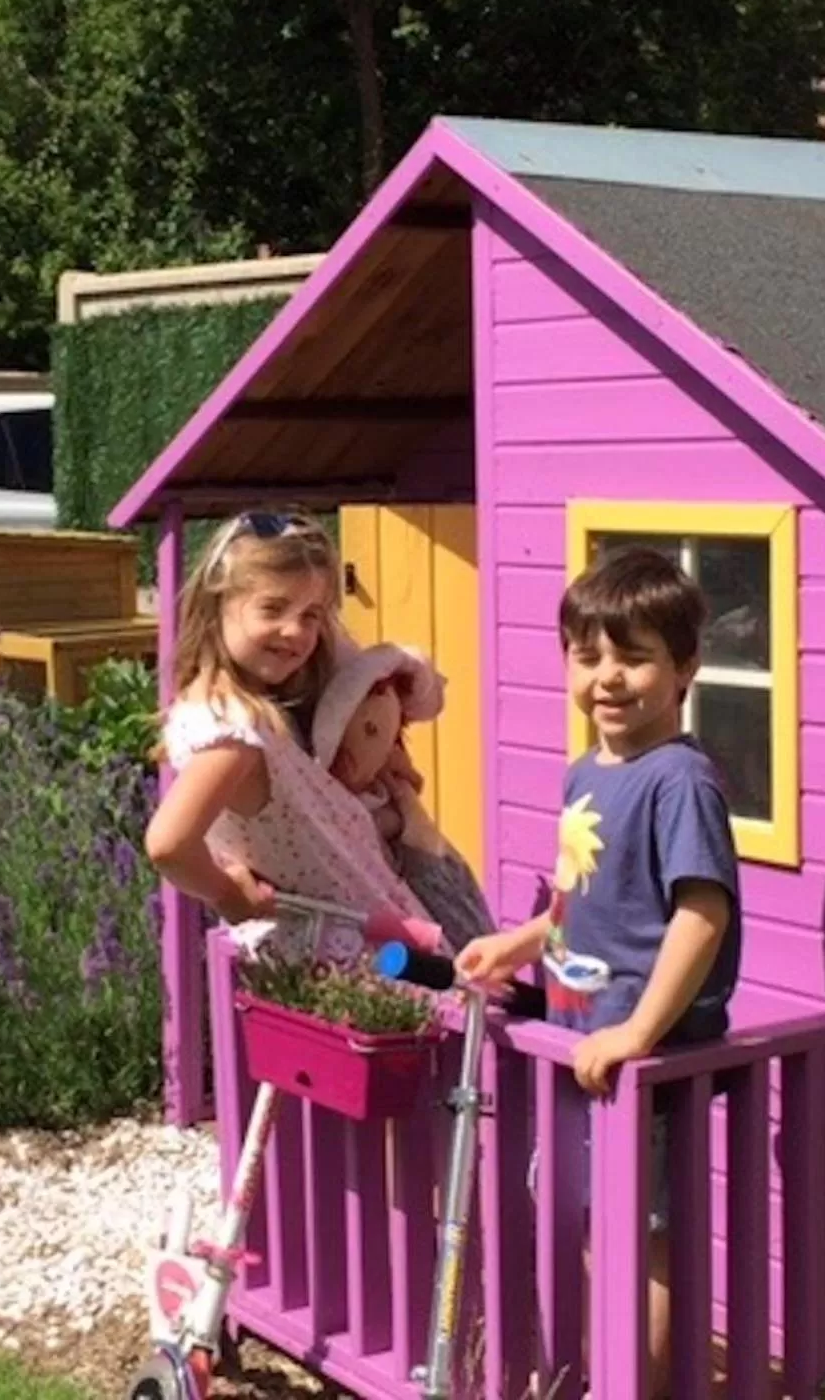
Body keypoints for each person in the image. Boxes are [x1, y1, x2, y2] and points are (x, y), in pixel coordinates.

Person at [455, 545, 742, 1397]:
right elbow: (585, 901)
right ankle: (612, 1376)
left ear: (686, 668)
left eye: (634, 656)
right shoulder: (587, 771)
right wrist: (520, 942)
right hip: (581, 1042)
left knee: (642, 1240)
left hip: (635, 1056)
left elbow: (701, 914)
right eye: (589, 657)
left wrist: (638, 1031)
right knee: (590, 1227)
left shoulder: (680, 780)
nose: (609, 679)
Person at [143, 510, 433, 936]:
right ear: (217, 601)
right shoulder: (235, 731)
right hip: (347, 958)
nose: (295, 632)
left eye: (311, 615)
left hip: (365, 936)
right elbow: (168, 844)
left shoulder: (246, 708)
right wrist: (227, 894)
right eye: (273, 608)